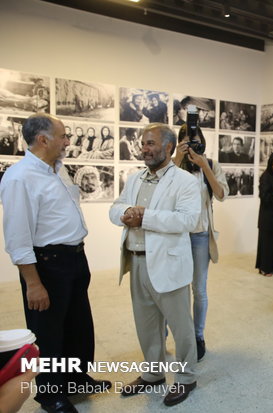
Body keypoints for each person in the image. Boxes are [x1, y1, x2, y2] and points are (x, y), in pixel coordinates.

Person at [0, 114, 110, 413]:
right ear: (43, 139)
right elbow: (17, 237)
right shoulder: (19, 177)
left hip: (74, 258)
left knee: (78, 325)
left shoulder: (57, 170)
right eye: (63, 136)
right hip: (47, 264)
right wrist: (33, 283)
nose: (67, 141)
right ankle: (51, 395)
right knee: (48, 332)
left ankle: (75, 380)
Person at [109, 123, 201, 407]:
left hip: (167, 264)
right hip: (135, 262)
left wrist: (144, 217)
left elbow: (188, 220)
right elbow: (116, 207)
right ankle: (153, 374)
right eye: (143, 143)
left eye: (150, 143)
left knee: (180, 326)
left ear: (169, 147)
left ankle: (187, 378)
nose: (144, 148)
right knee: (146, 325)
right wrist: (125, 212)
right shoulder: (135, 178)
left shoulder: (185, 181)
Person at [173, 123, 228, 361]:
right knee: (175, 288)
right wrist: (176, 158)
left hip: (200, 235)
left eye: (194, 139)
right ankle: (179, 334)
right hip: (176, 236)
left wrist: (205, 167)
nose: (190, 144)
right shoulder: (172, 167)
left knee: (199, 289)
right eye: (185, 140)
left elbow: (221, 194)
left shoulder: (212, 165)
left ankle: (198, 336)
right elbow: (160, 191)